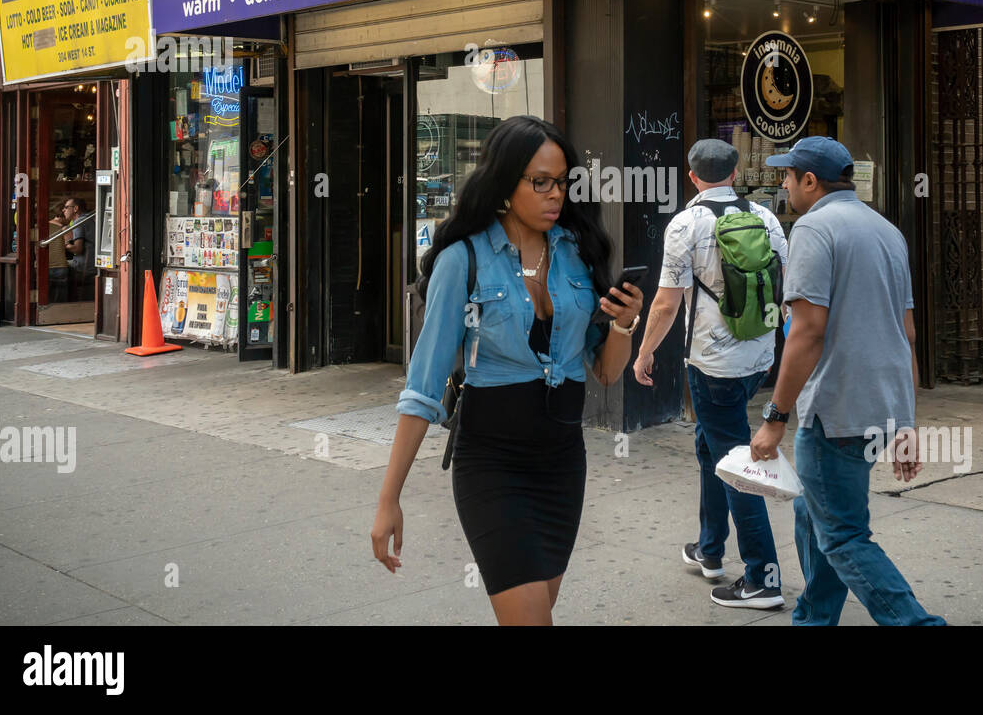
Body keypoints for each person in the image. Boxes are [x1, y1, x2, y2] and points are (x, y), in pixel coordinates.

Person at [371, 115, 644, 625]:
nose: (554, 194)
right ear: (504, 180)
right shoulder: (463, 260)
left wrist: (625, 326)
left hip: (563, 464)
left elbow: (605, 373)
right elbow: (422, 387)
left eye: (561, 181)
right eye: (539, 181)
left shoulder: (577, 254)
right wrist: (389, 500)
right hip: (492, 464)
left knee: (538, 610)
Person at [749, 136, 944, 626]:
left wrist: (775, 417)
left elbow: (806, 332)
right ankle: (814, 618)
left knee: (842, 536)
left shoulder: (813, 229)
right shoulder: (887, 230)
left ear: (810, 181)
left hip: (836, 410)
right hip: (879, 405)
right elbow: (908, 333)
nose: (783, 184)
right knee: (812, 515)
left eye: (787, 176)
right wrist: (905, 420)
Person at [634, 138, 787, 609]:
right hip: (758, 357)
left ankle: (763, 577)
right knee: (711, 447)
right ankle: (710, 548)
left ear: (693, 176)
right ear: (736, 173)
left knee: (737, 464)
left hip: (712, 364)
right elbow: (785, 285)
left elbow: (665, 302)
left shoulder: (686, 223)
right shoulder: (766, 218)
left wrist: (643, 353)